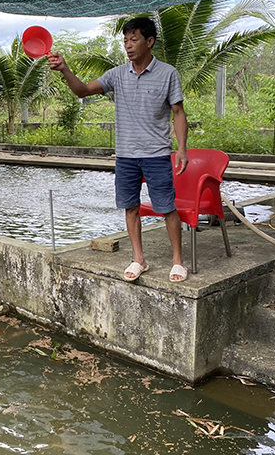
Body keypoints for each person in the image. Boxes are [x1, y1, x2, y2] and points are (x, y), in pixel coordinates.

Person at [47, 17, 189, 282]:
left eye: (134, 39)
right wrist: (65, 69)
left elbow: (178, 113)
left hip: (157, 153)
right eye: (125, 40)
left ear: (149, 42)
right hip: (125, 155)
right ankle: (139, 259)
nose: (128, 45)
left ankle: (178, 261)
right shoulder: (117, 74)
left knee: (167, 207)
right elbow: (82, 91)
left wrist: (181, 149)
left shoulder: (168, 73)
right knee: (130, 207)